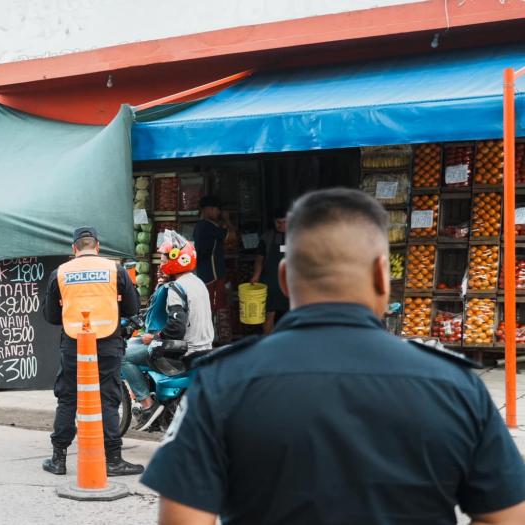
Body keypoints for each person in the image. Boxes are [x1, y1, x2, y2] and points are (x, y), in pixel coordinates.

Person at [142, 188, 525, 525]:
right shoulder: (454, 385)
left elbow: (183, 520)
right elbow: (507, 516)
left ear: (285, 277)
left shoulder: (220, 384)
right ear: (381, 274)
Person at [41, 226, 143, 477]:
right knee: (109, 399)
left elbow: (51, 316)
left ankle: (59, 458)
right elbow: (132, 307)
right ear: (97, 247)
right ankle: (113, 459)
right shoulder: (114, 269)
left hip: (74, 344)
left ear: (74, 249)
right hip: (108, 342)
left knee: (68, 398)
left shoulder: (61, 273)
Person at [121, 230, 212, 431]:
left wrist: (154, 337)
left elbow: (176, 326)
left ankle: (147, 404)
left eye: (163, 259)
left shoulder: (176, 288)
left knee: (122, 355)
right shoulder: (197, 283)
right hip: (204, 347)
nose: (161, 264)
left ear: (175, 260)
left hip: (184, 349)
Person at [193, 195, 236, 343]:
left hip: (206, 273)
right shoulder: (207, 226)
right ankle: (215, 340)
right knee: (216, 307)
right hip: (212, 275)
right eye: (217, 209)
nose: (219, 212)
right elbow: (232, 237)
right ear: (209, 209)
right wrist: (227, 220)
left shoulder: (202, 226)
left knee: (212, 307)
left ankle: (210, 339)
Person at [250, 208, 289, 334]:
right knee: (269, 315)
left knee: (293, 314)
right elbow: (259, 259)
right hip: (271, 282)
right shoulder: (267, 237)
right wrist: (256, 276)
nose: (280, 225)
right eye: (278, 222)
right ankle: (268, 342)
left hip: (291, 283)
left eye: (283, 222)